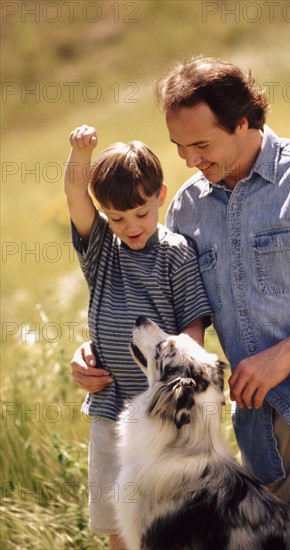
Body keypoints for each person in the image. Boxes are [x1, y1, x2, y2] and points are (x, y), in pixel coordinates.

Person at [70, 58, 290, 548]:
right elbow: (156, 301)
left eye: (201, 144)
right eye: (179, 147)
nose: (189, 159)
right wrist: (96, 347)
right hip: (280, 409)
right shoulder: (187, 208)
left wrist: (287, 351)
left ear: (244, 121)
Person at [64, 124, 212, 550]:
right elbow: (76, 197)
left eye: (141, 213)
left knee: (171, 522)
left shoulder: (176, 253)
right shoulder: (101, 250)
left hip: (165, 416)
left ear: (160, 195)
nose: (130, 226)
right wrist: (80, 155)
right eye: (117, 218)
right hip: (112, 409)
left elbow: (193, 330)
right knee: (120, 524)